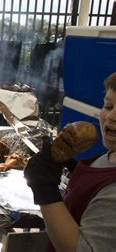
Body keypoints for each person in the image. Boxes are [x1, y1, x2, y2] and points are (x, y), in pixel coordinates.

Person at [24, 72, 116, 252]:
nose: (112, 116)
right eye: (108, 105)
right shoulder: (110, 154)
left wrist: (44, 187)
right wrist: (71, 166)